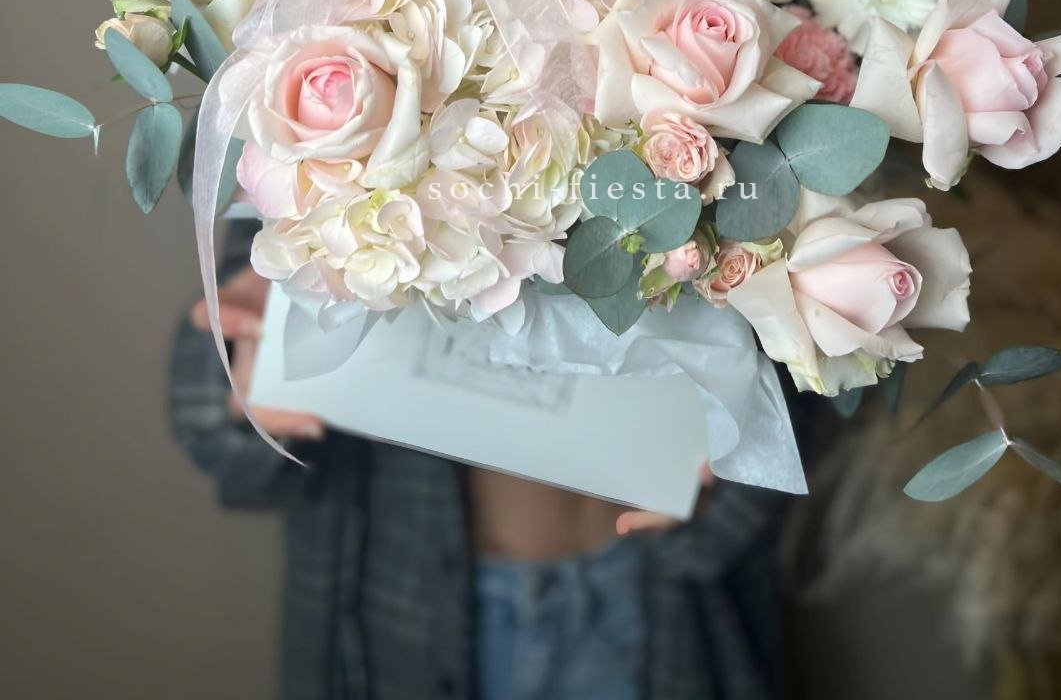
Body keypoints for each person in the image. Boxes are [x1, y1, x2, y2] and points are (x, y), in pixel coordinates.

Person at [170, 221, 789, 700]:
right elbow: (210, 392)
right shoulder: (310, 102)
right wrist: (247, 362)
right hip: (403, 605)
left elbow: (799, 353)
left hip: (657, 593)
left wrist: (742, 461)